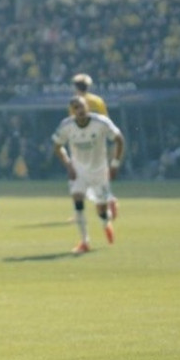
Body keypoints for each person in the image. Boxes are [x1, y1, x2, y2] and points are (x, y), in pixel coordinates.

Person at [52, 96, 125, 254]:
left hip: (99, 170)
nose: (80, 110)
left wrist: (114, 165)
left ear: (88, 108)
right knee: (78, 200)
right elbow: (57, 146)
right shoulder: (67, 125)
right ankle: (85, 242)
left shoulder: (101, 122)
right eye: (76, 108)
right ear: (72, 111)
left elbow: (119, 140)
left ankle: (106, 221)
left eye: (82, 107)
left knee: (101, 210)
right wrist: (69, 164)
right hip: (79, 170)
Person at [73, 73, 118, 218]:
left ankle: (84, 208)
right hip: (98, 144)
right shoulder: (98, 101)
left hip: (83, 144)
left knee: (82, 178)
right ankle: (109, 199)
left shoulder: (76, 103)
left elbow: (74, 123)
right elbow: (106, 121)